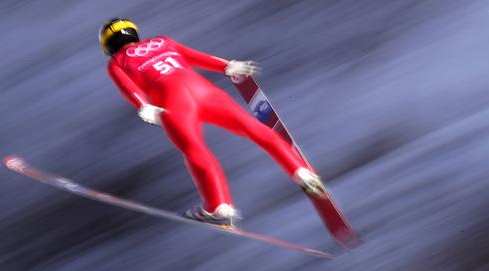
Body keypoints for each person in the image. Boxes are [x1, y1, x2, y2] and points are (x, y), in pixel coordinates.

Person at [101, 17, 323, 228]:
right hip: (204, 91)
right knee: (250, 127)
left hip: (172, 101)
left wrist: (143, 106)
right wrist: (227, 66)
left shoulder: (116, 63)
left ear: (108, 46)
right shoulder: (162, 41)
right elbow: (196, 57)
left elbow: (128, 88)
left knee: (194, 149)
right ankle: (302, 171)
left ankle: (219, 208)